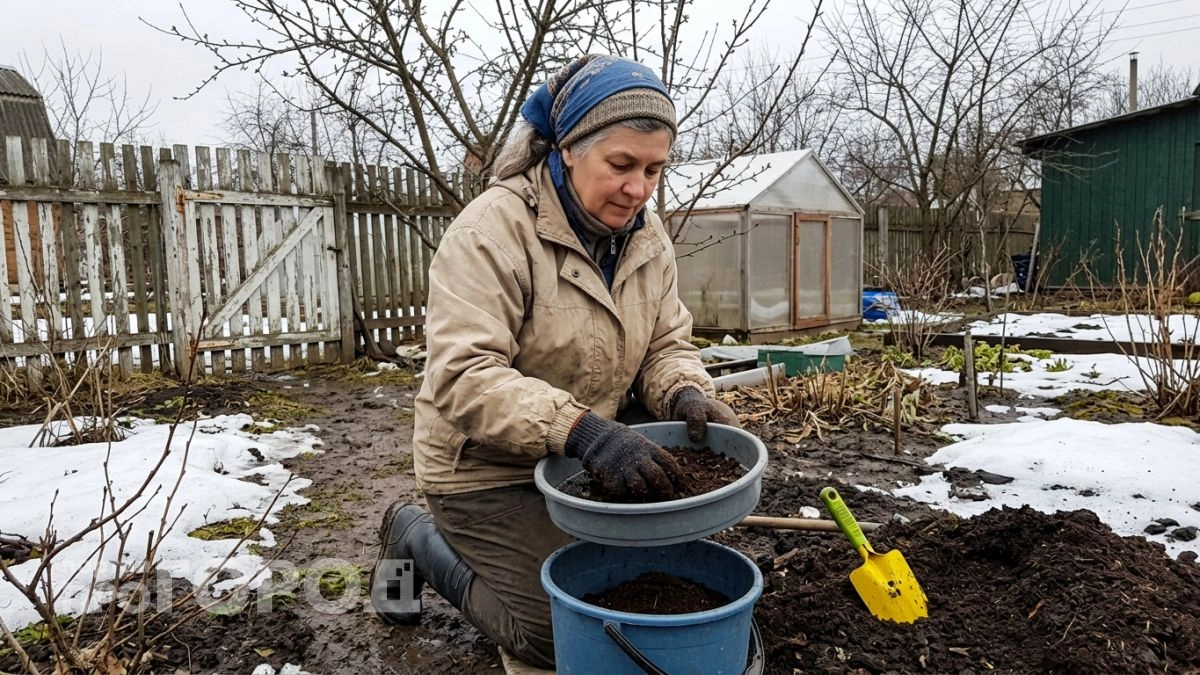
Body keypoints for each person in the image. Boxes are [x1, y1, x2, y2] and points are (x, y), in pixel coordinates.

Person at [369, 54, 740, 669]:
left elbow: (665, 343)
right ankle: (414, 536)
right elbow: (464, 377)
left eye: (654, 169)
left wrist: (682, 393)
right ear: (567, 149)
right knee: (558, 629)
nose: (639, 188)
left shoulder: (647, 237)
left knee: (641, 592)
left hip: (586, 457)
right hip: (486, 470)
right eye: (621, 164)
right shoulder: (491, 232)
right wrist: (581, 430)